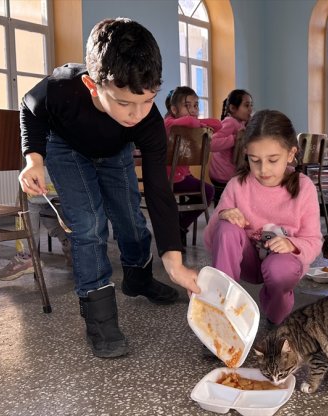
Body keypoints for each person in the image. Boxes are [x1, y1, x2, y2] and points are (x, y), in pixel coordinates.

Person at [18, 18, 200, 359]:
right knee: (88, 225)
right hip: (65, 147)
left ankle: (138, 278)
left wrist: (174, 263)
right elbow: (29, 109)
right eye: (123, 103)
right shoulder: (61, 88)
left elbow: (159, 192)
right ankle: (100, 319)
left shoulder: (147, 122)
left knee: (131, 218)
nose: (137, 114)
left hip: (114, 151)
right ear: (91, 85)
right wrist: (34, 159)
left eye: (147, 101)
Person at [203, 110, 323, 325]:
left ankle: (277, 318)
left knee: (279, 270)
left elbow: (314, 241)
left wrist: (291, 244)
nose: (263, 169)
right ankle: (221, 312)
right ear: (246, 153)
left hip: (281, 263)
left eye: (272, 160)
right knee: (227, 227)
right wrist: (223, 215)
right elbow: (212, 239)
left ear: (290, 154)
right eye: (254, 160)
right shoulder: (237, 185)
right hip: (246, 260)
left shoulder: (304, 187)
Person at [0, 168, 72, 281]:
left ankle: (26, 256)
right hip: (91, 176)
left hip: (67, 176)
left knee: (27, 194)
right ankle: (70, 245)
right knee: (46, 203)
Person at [163, 86, 218, 245]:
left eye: (196, 105)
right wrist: (198, 122)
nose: (193, 109)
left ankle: (179, 225)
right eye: (188, 105)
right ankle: (177, 226)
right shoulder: (168, 124)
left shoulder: (192, 125)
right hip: (168, 178)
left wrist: (198, 122)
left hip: (184, 178)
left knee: (207, 191)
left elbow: (217, 124)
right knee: (207, 191)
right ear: (173, 109)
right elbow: (188, 121)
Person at [209, 89, 254, 205]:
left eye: (251, 106)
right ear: (233, 108)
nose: (250, 109)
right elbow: (211, 144)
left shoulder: (241, 123)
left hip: (230, 173)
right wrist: (234, 139)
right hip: (222, 175)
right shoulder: (230, 122)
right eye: (246, 105)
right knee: (225, 205)